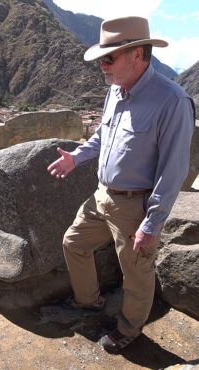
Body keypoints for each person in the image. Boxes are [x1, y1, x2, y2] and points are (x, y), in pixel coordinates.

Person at [47, 16, 195, 353]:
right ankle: (89, 301)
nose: (102, 65)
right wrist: (76, 157)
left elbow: (172, 172)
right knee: (74, 242)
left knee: (137, 274)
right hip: (103, 196)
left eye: (108, 58)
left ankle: (129, 329)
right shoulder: (116, 91)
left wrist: (152, 224)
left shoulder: (172, 102)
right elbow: (103, 136)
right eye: (102, 58)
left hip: (134, 207)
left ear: (138, 55)